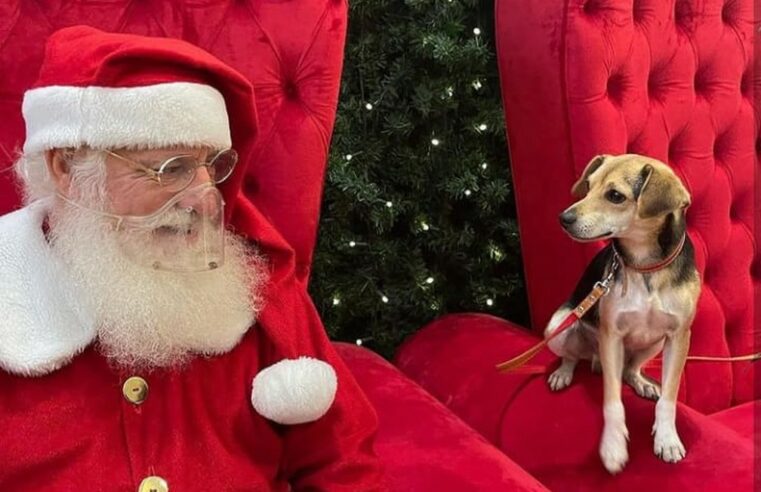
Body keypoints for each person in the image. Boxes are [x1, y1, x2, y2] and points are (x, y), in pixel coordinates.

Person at [0, 25, 385, 491]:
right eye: (172, 169)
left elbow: (345, 465)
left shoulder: (255, 283)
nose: (204, 199)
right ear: (67, 167)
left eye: (212, 167)